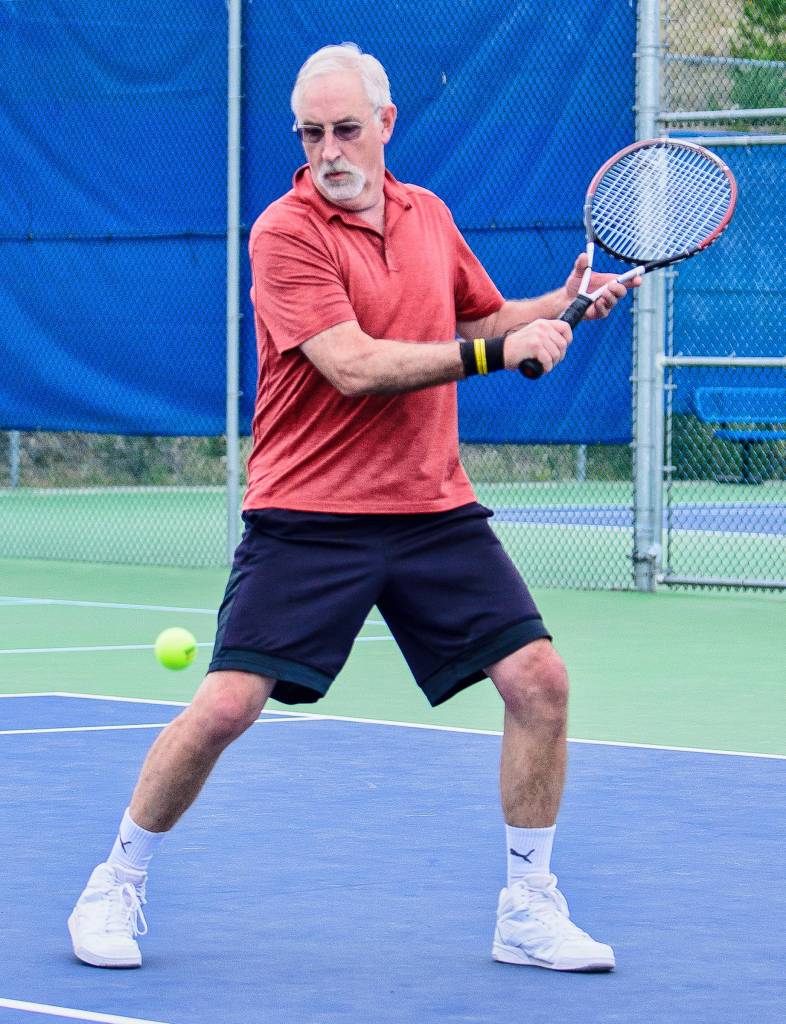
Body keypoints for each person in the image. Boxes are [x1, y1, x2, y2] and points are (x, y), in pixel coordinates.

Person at [68, 42, 637, 973]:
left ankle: (529, 907)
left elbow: (478, 319)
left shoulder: (430, 216)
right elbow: (356, 364)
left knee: (541, 683)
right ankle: (115, 884)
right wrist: (504, 355)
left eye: (344, 129)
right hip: (309, 513)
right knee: (223, 708)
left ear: (385, 127)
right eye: (310, 133)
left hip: (429, 506)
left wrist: (563, 304)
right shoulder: (283, 233)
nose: (327, 149)